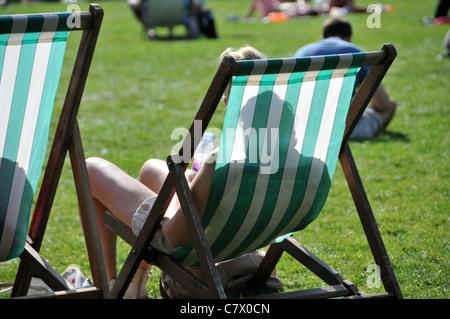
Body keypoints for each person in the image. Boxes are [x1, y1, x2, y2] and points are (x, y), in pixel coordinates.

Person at [86, 46, 267, 298]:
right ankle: (136, 279)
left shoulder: (221, 161)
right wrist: (192, 182)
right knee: (151, 168)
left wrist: (180, 191)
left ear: (227, 102)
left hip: (195, 242)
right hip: (235, 237)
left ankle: (112, 283)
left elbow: (175, 235)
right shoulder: (292, 157)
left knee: (91, 168)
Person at [294, 17, 398, 140]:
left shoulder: (302, 53)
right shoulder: (355, 53)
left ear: (322, 38)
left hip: (303, 128)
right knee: (391, 105)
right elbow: (384, 104)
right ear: (348, 39)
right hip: (343, 130)